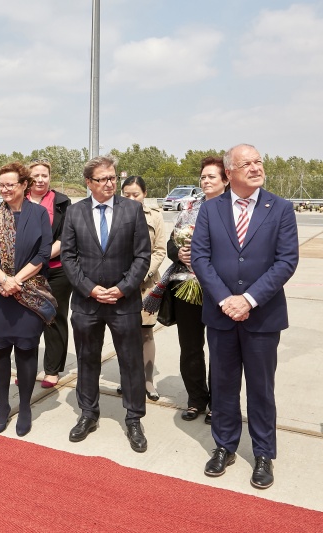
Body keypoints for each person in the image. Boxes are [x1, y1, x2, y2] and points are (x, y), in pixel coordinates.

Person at [192, 144, 298, 489]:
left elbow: (286, 261)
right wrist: (225, 299)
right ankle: (224, 446)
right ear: (230, 172)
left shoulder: (280, 208)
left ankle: (264, 453)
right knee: (222, 385)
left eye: (258, 162)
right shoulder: (210, 210)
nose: (255, 168)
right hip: (221, 315)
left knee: (261, 389)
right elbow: (201, 259)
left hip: (263, 316)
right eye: (246, 164)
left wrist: (248, 300)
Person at [61, 155, 151, 452]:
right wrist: (90, 288)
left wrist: (122, 288)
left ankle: (134, 418)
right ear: (89, 183)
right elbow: (68, 258)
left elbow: (142, 256)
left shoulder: (132, 210)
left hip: (123, 302)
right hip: (87, 303)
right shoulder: (75, 213)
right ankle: (88, 413)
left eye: (112, 177)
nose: (110, 183)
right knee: (87, 359)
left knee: (131, 361)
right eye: (103, 179)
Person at [0, 162, 52, 437]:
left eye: (10, 184)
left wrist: (16, 281)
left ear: (24, 185)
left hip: (28, 290)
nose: (5, 189)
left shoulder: (39, 213)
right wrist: (3, 280)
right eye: (1, 185)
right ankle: (3, 405)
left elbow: (43, 254)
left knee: (26, 349)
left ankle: (26, 406)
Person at [168, 157, 229, 424]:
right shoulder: (189, 207)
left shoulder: (234, 209)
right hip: (186, 285)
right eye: (203, 177)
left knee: (220, 348)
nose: (205, 181)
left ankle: (217, 402)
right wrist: (179, 252)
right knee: (190, 346)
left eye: (211, 177)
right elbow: (171, 242)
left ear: (226, 180)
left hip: (219, 288)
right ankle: (196, 399)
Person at [26, 159, 72, 388]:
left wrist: (39, 260)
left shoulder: (62, 202)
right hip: (24, 274)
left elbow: (65, 239)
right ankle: (28, 368)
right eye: (36, 175)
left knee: (53, 318)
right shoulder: (19, 199)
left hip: (56, 271)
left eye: (45, 175)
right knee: (28, 320)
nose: (40, 179)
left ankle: (52, 370)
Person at [120, 175, 166, 401]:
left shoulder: (155, 216)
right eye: (126, 194)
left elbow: (159, 250)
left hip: (146, 284)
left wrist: (142, 274)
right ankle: (128, 378)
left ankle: (148, 381)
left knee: (145, 332)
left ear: (144, 194)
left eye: (135, 195)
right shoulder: (115, 216)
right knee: (125, 333)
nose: (130, 199)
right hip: (120, 283)